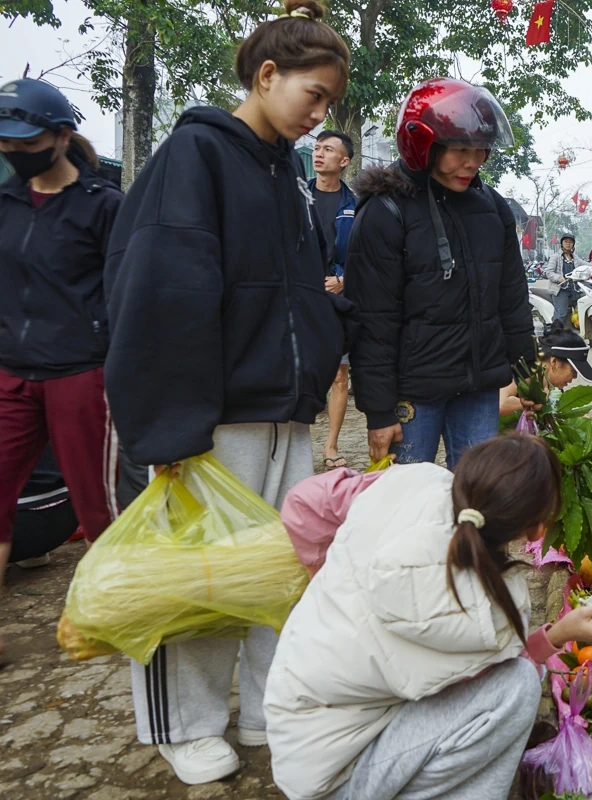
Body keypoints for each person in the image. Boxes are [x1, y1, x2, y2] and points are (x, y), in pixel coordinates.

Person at [103, 1, 351, 784]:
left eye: (327, 104)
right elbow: (161, 296)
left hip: (282, 416)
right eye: (313, 95)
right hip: (211, 421)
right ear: (266, 74)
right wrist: (170, 432)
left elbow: (297, 296)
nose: (320, 117)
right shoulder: (195, 157)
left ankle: (264, 708)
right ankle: (188, 724)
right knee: (197, 583)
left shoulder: (285, 176)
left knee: (279, 574)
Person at [265, 434, 592, 800]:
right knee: (518, 686)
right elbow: (505, 671)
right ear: (536, 530)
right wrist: (558, 635)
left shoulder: (411, 480)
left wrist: (327, 583)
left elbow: (302, 502)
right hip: (337, 777)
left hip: (294, 725)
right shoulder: (493, 612)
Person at [345, 77, 535, 470]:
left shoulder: (492, 209)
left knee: (475, 505)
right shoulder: (385, 212)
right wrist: (378, 412)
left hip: (479, 390)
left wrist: (527, 372)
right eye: (460, 150)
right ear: (422, 146)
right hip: (412, 396)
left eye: (481, 150)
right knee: (409, 508)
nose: (473, 162)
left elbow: (512, 300)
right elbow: (372, 321)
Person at [0, 78, 122, 656]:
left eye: (26, 142)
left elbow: (124, 296)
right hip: (11, 372)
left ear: (60, 137)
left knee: (96, 505)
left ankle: (113, 614)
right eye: (5, 143)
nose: (14, 153)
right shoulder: (5, 204)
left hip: (80, 374)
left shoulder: (102, 207)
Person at [309, 129, 358, 470]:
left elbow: (367, 255)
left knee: (340, 374)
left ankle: (330, 445)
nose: (319, 153)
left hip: (335, 297)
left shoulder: (355, 206)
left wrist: (343, 280)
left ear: (343, 161)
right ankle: (292, 442)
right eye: (317, 147)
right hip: (299, 296)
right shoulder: (298, 197)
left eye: (328, 149)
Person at [499, 321, 592, 416]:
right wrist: (535, 404)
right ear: (554, 362)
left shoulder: (551, 389)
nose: (575, 377)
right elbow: (499, 405)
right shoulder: (521, 369)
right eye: (573, 371)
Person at [545, 233, 579, 323]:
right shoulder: (556, 257)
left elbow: (585, 264)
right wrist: (558, 278)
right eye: (566, 241)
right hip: (560, 290)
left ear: (573, 244)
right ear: (562, 243)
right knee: (561, 314)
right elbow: (548, 272)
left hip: (575, 289)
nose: (568, 244)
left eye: (571, 242)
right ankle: (555, 333)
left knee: (582, 308)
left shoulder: (575, 258)